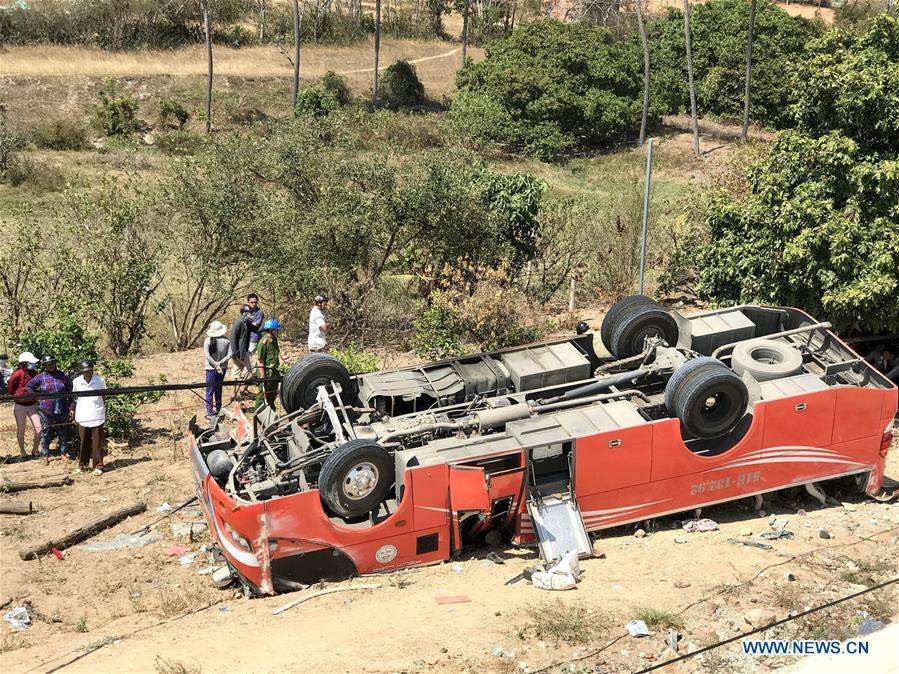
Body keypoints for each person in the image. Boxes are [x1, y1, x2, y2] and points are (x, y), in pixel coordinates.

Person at [24, 353, 72, 464]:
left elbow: (69, 390)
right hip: (46, 409)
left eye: (52, 363)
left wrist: (71, 406)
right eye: (48, 364)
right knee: (46, 431)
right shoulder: (41, 376)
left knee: (63, 431)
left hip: (62, 407)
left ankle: (63, 453)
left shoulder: (62, 375)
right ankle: (45, 455)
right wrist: (38, 397)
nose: (51, 365)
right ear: (44, 365)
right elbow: (28, 386)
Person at [71, 360, 106, 475]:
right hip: (83, 415)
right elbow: (75, 397)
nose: (88, 373)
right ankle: (82, 465)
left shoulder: (100, 380)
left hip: (96, 414)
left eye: (89, 370)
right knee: (83, 441)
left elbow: (103, 395)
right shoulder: (77, 381)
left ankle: (98, 466)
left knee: (97, 442)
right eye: (85, 371)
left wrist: (101, 408)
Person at [6, 352, 41, 458]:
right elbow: (11, 389)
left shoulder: (34, 373)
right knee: (21, 429)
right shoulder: (17, 374)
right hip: (20, 406)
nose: (33, 364)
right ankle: (23, 452)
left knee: (39, 428)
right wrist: (19, 395)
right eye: (31, 362)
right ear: (24, 363)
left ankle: (35, 450)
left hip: (33, 405)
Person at [204, 320, 231, 418]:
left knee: (209, 390)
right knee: (218, 389)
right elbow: (230, 354)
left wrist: (215, 365)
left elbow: (207, 356)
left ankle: (210, 412)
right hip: (223, 368)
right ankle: (219, 408)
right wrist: (220, 363)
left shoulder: (207, 340)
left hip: (210, 368)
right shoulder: (227, 341)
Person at [256, 318, 282, 409]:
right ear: (271, 330)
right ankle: (259, 413)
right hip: (266, 373)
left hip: (274, 372)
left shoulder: (274, 340)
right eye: (276, 330)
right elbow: (260, 361)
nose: (278, 331)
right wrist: (263, 377)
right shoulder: (263, 343)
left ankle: (271, 411)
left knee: (272, 393)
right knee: (262, 395)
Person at [229, 304, 254, 396]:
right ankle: (241, 390)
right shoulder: (239, 322)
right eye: (248, 313)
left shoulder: (247, 322)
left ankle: (236, 393)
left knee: (236, 371)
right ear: (243, 313)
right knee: (253, 370)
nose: (250, 314)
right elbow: (233, 338)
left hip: (244, 351)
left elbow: (256, 329)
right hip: (240, 353)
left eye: (251, 313)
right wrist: (234, 352)